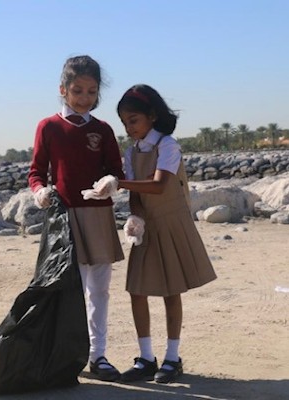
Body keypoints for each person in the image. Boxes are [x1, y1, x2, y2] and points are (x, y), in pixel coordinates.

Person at [28, 55, 125, 382]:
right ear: (63, 90)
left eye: (92, 91)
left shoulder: (104, 129)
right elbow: (36, 172)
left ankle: (98, 356)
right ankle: (69, 357)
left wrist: (111, 182)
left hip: (99, 216)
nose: (85, 98)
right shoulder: (49, 127)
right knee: (67, 292)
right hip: (64, 220)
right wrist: (40, 192)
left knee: (99, 291)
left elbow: (116, 169)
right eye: (78, 90)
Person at [111, 84, 217, 384]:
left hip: (170, 222)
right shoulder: (132, 153)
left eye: (133, 120)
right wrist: (134, 215)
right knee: (137, 290)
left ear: (152, 116)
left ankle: (172, 358)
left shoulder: (167, 146)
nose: (129, 128)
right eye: (124, 123)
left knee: (171, 290)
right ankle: (146, 357)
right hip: (147, 225)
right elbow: (135, 190)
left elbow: (158, 185)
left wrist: (118, 183)